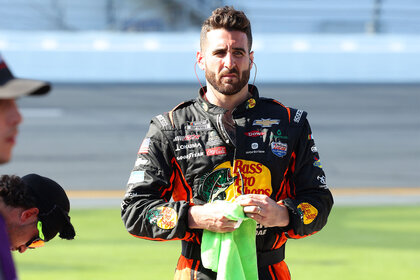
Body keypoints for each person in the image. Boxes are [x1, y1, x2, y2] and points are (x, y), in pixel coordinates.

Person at [121, 6, 333, 280]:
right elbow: (135, 211)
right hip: (197, 270)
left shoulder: (289, 122)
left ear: (250, 58)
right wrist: (197, 217)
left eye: (238, 53)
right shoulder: (170, 126)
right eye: (219, 53)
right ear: (201, 59)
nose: (229, 62)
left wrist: (282, 214)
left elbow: (319, 201)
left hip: (268, 270)